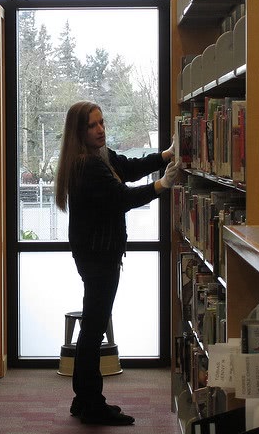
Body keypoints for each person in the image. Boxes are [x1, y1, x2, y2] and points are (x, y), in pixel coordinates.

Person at [54, 101, 180, 426]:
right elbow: (122, 198)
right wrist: (162, 185)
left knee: (92, 327)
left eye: (102, 122)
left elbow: (130, 166)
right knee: (94, 329)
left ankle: (83, 398)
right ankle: (93, 404)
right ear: (79, 132)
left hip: (95, 252)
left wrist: (165, 155)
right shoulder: (88, 165)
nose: (101, 129)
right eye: (93, 125)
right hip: (98, 256)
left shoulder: (100, 157)